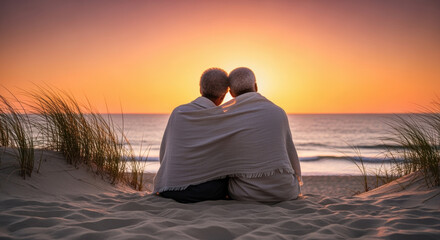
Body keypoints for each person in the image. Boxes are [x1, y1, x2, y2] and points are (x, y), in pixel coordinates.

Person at [154, 68, 230, 203]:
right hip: (203, 192)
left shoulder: (179, 112)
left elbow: (164, 152)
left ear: (200, 89)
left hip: (169, 189)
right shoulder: (223, 118)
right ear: (223, 96)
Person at [226, 67, 302, 202]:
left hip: (244, 194)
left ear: (231, 93)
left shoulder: (227, 116)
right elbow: (290, 153)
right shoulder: (278, 111)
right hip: (286, 192)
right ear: (256, 86)